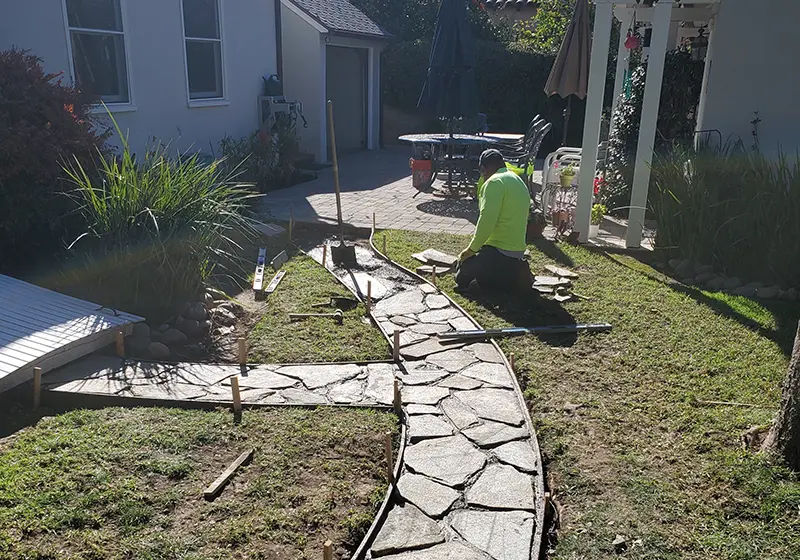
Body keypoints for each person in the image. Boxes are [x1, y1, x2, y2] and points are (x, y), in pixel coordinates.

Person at [456, 149, 532, 294]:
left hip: (498, 253)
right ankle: (511, 277)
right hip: (517, 253)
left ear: (483, 169)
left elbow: (487, 221)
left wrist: (470, 250)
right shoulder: (518, 180)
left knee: (461, 275)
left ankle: (490, 282)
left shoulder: (493, 183)